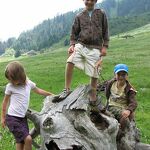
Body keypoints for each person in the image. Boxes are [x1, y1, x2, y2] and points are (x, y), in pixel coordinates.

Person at [55, 0, 109, 108]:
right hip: (81, 44)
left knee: (95, 73)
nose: (89, 1)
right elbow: (74, 33)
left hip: (96, 47)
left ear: (95, 1)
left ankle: (93, 97)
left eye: (91, 0)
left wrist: (105, 46)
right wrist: (72, 45)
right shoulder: (79, 16)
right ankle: (66, 89)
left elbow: (105, 31)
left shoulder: (101, 13)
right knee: (70, 60)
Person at [1, 61, 54, 150]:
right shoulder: (10, 86)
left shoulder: (28, 84)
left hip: (22, 118)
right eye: (9, 79)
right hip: (12, 118)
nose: (10, 81)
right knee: (28, 139)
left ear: (20, 76)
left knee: (20, 141)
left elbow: (38, 90)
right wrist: (2, 117)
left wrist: (51, 95)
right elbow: (5, 102)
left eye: (12, 79)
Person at [105, 64, 138, 139]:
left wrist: (129, 110)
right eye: (118, 74)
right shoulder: (111, 83)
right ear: (114, 75)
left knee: (125, 117)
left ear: (127, 75)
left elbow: (134, 102)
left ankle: (120, 133)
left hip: (122, 108)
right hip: (111, 106)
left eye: (123, 75)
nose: (121, 77)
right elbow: (106, 92)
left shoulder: (129, 89)